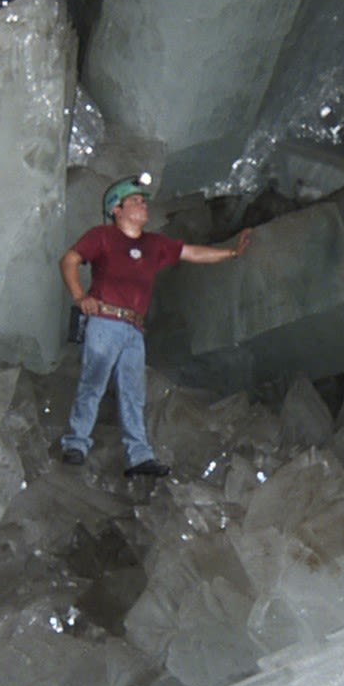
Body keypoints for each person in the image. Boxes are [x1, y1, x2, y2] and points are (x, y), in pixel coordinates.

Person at [58, 177, 249, 479]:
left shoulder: (154, 244)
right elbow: (70, 259)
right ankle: (76, 443)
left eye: (142, 200)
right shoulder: (102, 236)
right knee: (92, 382)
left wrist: (231, 253)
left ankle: (139, 455)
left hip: (134, 329)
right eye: (135, 201)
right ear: (117, 210)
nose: (143, 204)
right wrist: (80, 296)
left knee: (133, 392)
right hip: (105, 321)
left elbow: (192, 253)